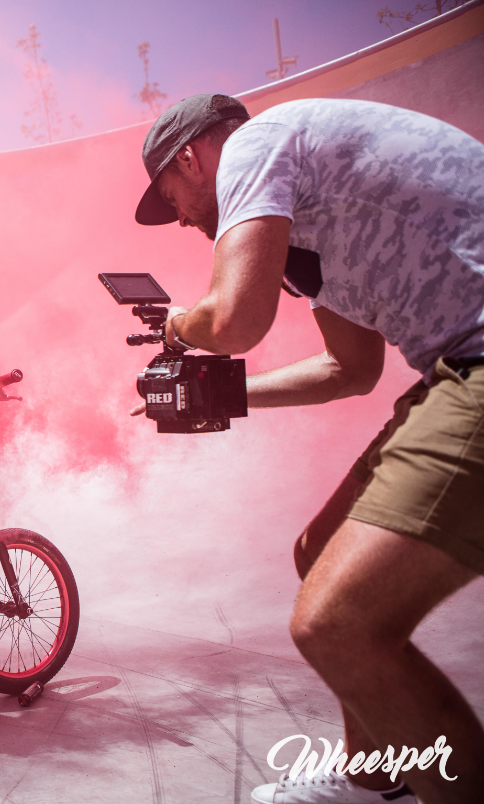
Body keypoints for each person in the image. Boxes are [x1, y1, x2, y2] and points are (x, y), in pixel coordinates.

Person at [133, 93, 484, 804]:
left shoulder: (254, 146)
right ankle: (373, 779)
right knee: (318, 552)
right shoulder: (307, 233)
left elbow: (233, 320)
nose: (182, 219)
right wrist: (218, 396)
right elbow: (349, 370)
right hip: (455, 365)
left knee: (338, 623)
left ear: (191, 159)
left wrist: (177, 327)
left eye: (171, 198)